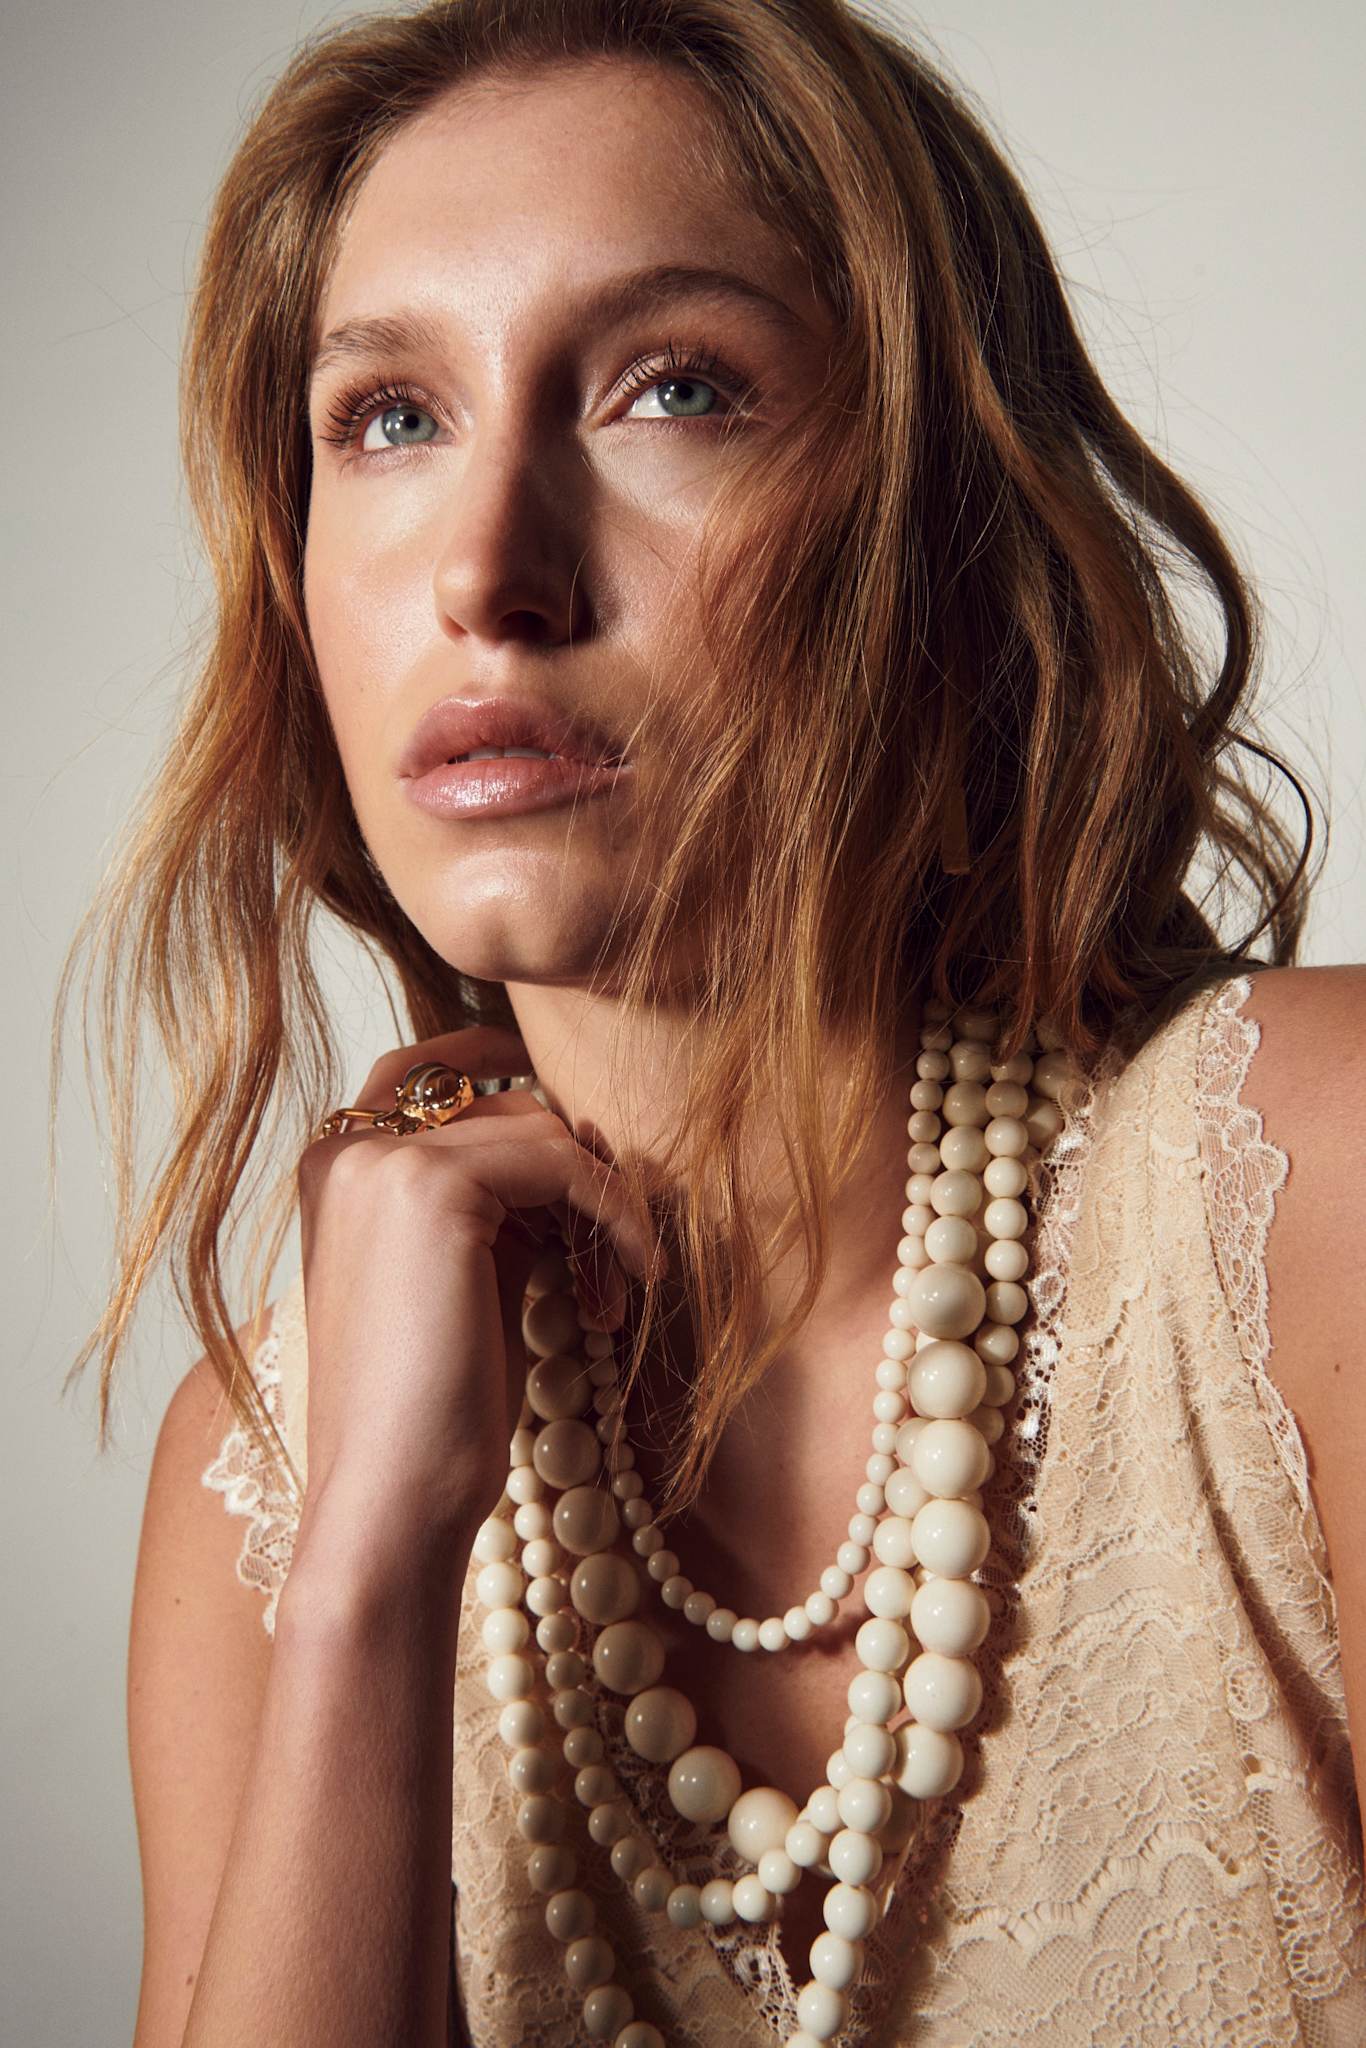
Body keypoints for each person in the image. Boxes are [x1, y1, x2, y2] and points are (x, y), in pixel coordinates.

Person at [51, 1, 1364, 2042]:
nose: (487, 571)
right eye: (385, 417)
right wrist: (369, 1576)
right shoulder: (273, 1472)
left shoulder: (1300, 1202)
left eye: (672, 389)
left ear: (937, 530)